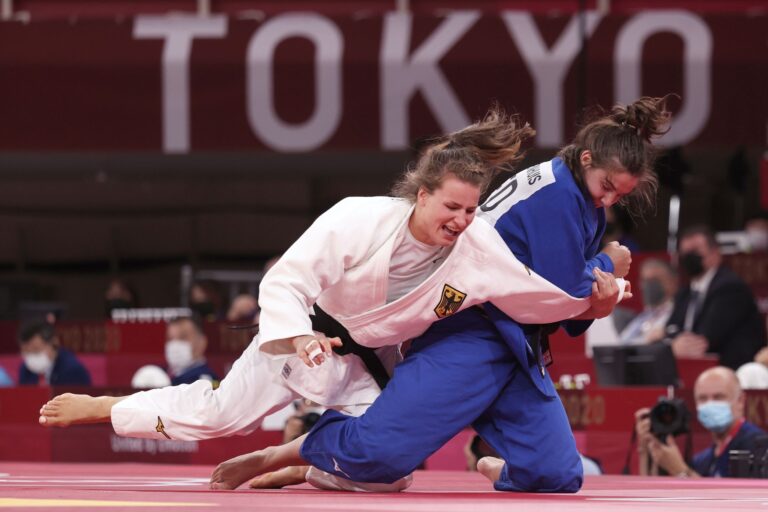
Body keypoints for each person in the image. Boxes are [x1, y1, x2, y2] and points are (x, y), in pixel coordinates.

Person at [39, 108, 612, 490]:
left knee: (392, 467)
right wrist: (299, 333)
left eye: (470, 210)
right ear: (420, 194)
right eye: (450, 208)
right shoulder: (357, 219)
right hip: (303, 337)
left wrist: (594, 296)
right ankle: (106, 407)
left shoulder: (477, 246)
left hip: (370, 362)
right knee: (219, 417)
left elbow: (535, 295)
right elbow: (284, 282)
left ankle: (292, 462)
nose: (461, 221)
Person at [211, 96, 668, 492]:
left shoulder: (584, 203)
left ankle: (492, 465)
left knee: (557, 474)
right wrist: (608, 265)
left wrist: (599, 295)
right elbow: (563, 291)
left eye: (619, 196)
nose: (608, 201)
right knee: (381, 458)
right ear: (586, 159)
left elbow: (568, 311)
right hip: (472, 333)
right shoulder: (554, 195)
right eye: (607, 187)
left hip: (519, 343)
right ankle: (288, 453)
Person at [634, 366, 766, 477]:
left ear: (740, 401)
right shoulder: (704, 459)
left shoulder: (759, 447)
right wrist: (645, 451)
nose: (710, 404)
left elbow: (736, 502)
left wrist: (680, 470)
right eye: (703, 399)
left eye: (718, 397)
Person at [665, 225, 765, 370]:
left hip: (731, 370)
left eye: (695, 251)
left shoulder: (730, 287)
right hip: (693, 369)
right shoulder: (684, 293)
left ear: (715, 253)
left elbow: (703, 340)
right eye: (684, 253)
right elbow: (670, 330)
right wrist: (673, 345)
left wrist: (674, 345)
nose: (688, 257)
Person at [617, 258, 677, 345]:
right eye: (644, 281)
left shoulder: (677, 315)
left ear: (671, 282)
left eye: (654, 280)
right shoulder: (643, 317)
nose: (647, 286)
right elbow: (622, 343)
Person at [18, 321, 91, 386]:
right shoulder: (26, 370)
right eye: (26, 352)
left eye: (36, 350)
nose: (31, 357)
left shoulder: (72, 370)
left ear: (54, 343)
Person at [163, 316, 218, 386]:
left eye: (182, 337)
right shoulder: (159, 373)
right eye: (170, 339)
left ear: (201, 342)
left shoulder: (204, 380)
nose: (175, 344)